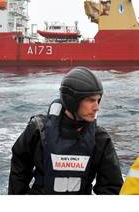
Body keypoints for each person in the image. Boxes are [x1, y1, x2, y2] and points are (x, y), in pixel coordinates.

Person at [8, 66, 123, 194]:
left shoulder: (100, 139)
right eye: (91, 100)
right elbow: (19, 168)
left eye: (98, 100)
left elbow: (111, 188)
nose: (97, 107)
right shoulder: (38, 131)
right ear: (72, 100)